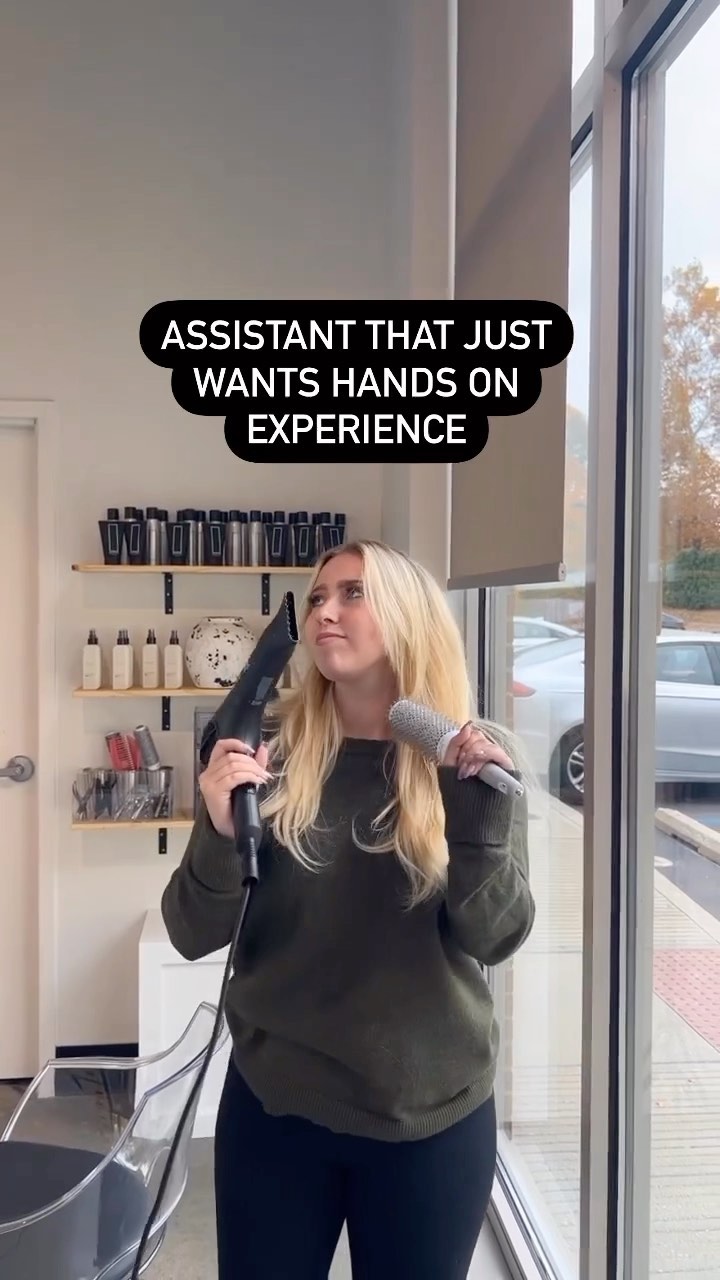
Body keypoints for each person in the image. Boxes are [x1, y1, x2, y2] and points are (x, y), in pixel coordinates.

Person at [161, 538, 535, 1280]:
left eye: (353, 593)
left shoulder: (472, 757)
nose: (324, 612)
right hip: (276, 1108)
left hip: (431, 1115)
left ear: (409, 615)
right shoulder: (260, 750)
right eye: (318, 596)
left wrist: (477, 821)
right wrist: (221, 834)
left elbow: (495, 937)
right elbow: (190, 931)